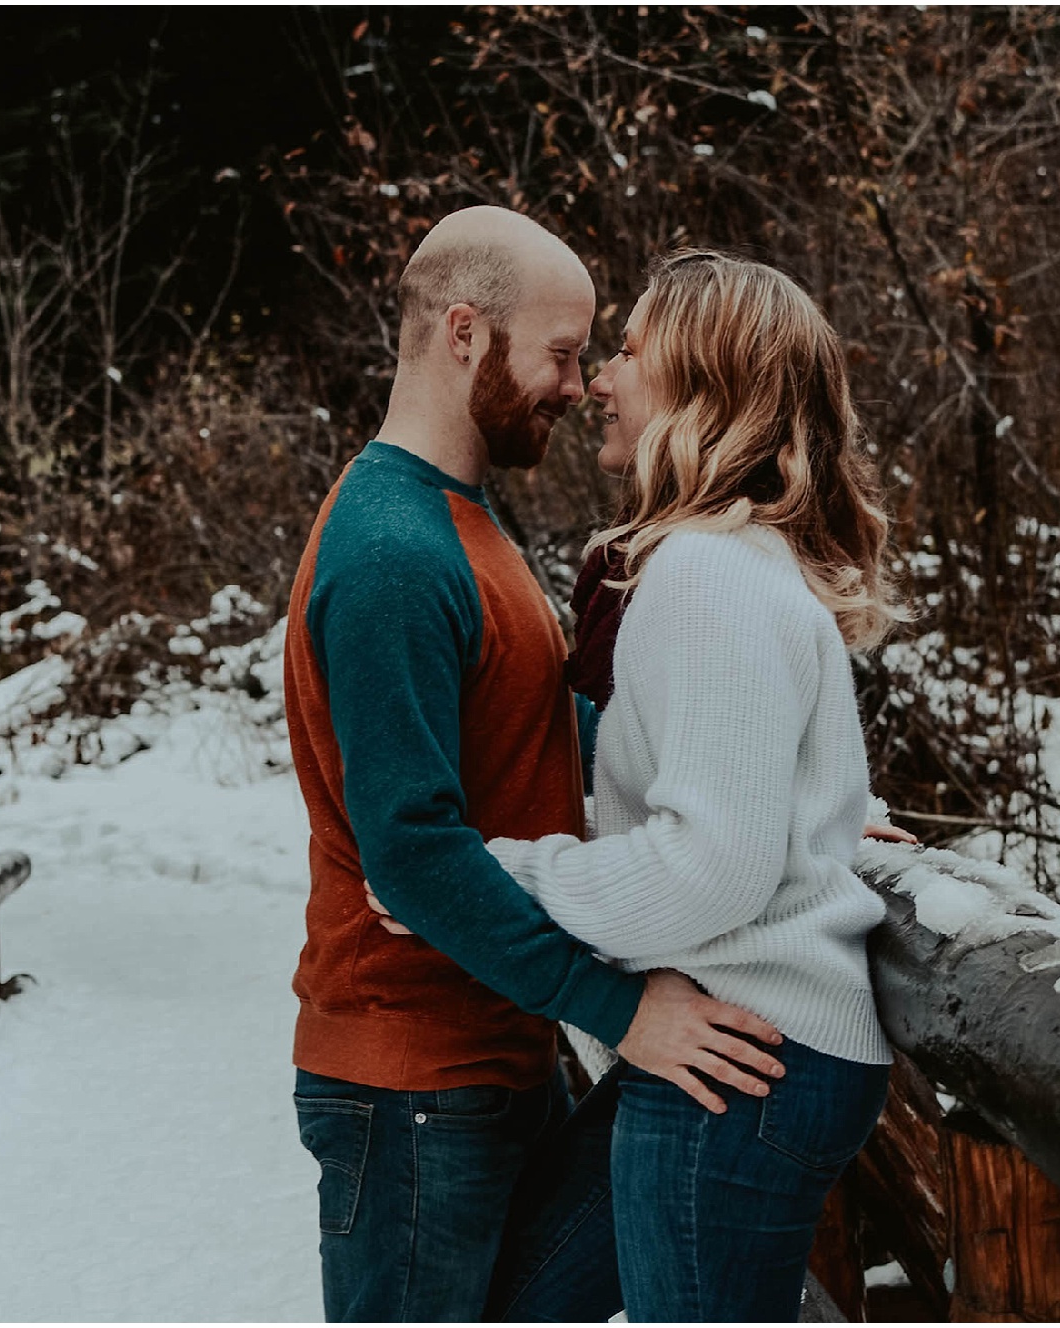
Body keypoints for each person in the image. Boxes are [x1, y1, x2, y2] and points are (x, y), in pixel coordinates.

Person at [371, 249, 911, 1321]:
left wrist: (497, 872)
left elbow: (706, 867)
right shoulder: (722, 563)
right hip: (730, 1049)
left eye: (624, 350)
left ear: (699, 383)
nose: (597, 382)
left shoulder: (705, 572)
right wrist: (818, 821)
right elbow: (727, 805)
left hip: (741, 1061)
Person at [282, 210, 790, 1322]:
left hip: (487, 1058)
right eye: (559, 353)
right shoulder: (389, 554)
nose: (575, 384)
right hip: (410, 1085)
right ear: (465, 332)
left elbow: (552, 732)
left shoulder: (456, 525)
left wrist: (788, 798)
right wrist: (622, 1007)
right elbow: (409, 852)